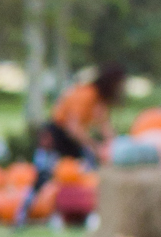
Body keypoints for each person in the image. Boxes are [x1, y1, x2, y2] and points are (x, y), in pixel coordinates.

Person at [15, 63, 125, 222]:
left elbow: (105, 127)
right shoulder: (85, 94)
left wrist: (117, 146)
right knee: (43, 175)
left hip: (72, 140)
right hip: (56, 134)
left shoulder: (99, 101)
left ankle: (84, 213)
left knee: (85, 174)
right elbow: (73, 127)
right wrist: (93, 146)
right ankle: (22, 214)